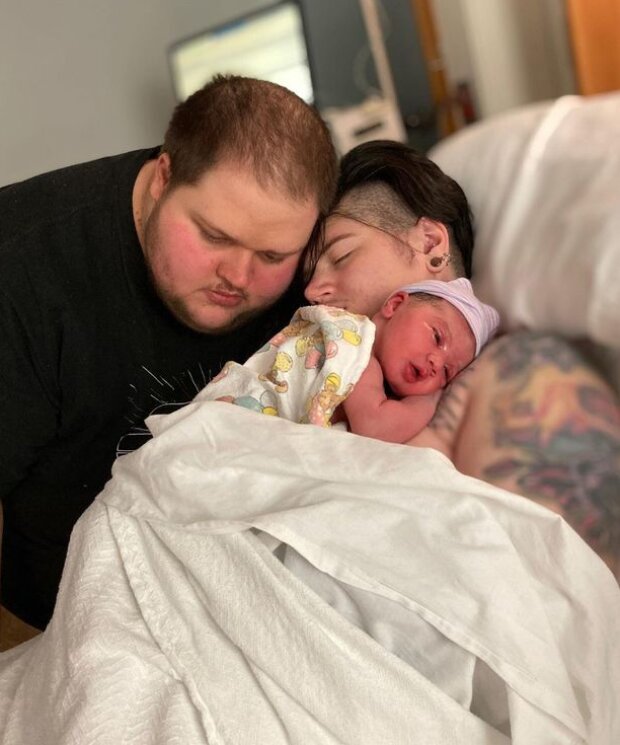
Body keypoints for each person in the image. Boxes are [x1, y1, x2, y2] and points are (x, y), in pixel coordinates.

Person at [0, 73, 338, 643]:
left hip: (235, 600)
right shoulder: (21, 267)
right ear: (163, 177)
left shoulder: (319, 266)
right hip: (45, 620)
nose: (238, 276)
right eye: (214, 236)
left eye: (271, 255)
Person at [305, 139, 620, 577]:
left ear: (430, 243)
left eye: (340, 256)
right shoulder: (331, 369)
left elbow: (578, 589)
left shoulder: (521, 370)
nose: (313, 292)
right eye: (308, 275)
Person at [197, 278, 499, 444]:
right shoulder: (355, 345)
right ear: (395, 305)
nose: (435, 361)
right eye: (436, 336)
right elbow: (377, 427)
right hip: (233, 426)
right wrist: (434, 398)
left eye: (447, 372)